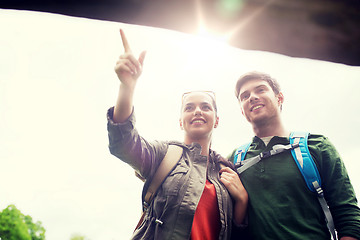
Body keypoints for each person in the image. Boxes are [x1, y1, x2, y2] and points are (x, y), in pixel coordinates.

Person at [106, 29, 248, 240]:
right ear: (180, 120)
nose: (197, 111)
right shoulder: (164, 154)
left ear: (217, 120)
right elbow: (123, 142)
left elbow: (237, 232)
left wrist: (243, 200)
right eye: (189, 107)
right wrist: (127, 87)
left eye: (205, 107)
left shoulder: (227, 171)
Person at [228, 71, 360, 240]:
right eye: (244, 96)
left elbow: (348, 215)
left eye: (260, 90)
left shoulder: (317, 146)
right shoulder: (233, 160)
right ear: (242, 110)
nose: (252, 97)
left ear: (279, 98)